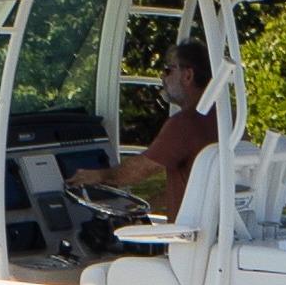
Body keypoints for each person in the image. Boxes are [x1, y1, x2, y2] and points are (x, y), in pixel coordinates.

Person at [71, 40, 217, 218]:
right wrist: (143, 207)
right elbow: (198, 189)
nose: (162, 78)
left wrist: (98, 176)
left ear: (187, 75)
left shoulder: (185, 123)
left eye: (168, 70)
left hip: (190, 239)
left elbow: (139, 170)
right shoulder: (228, 119)